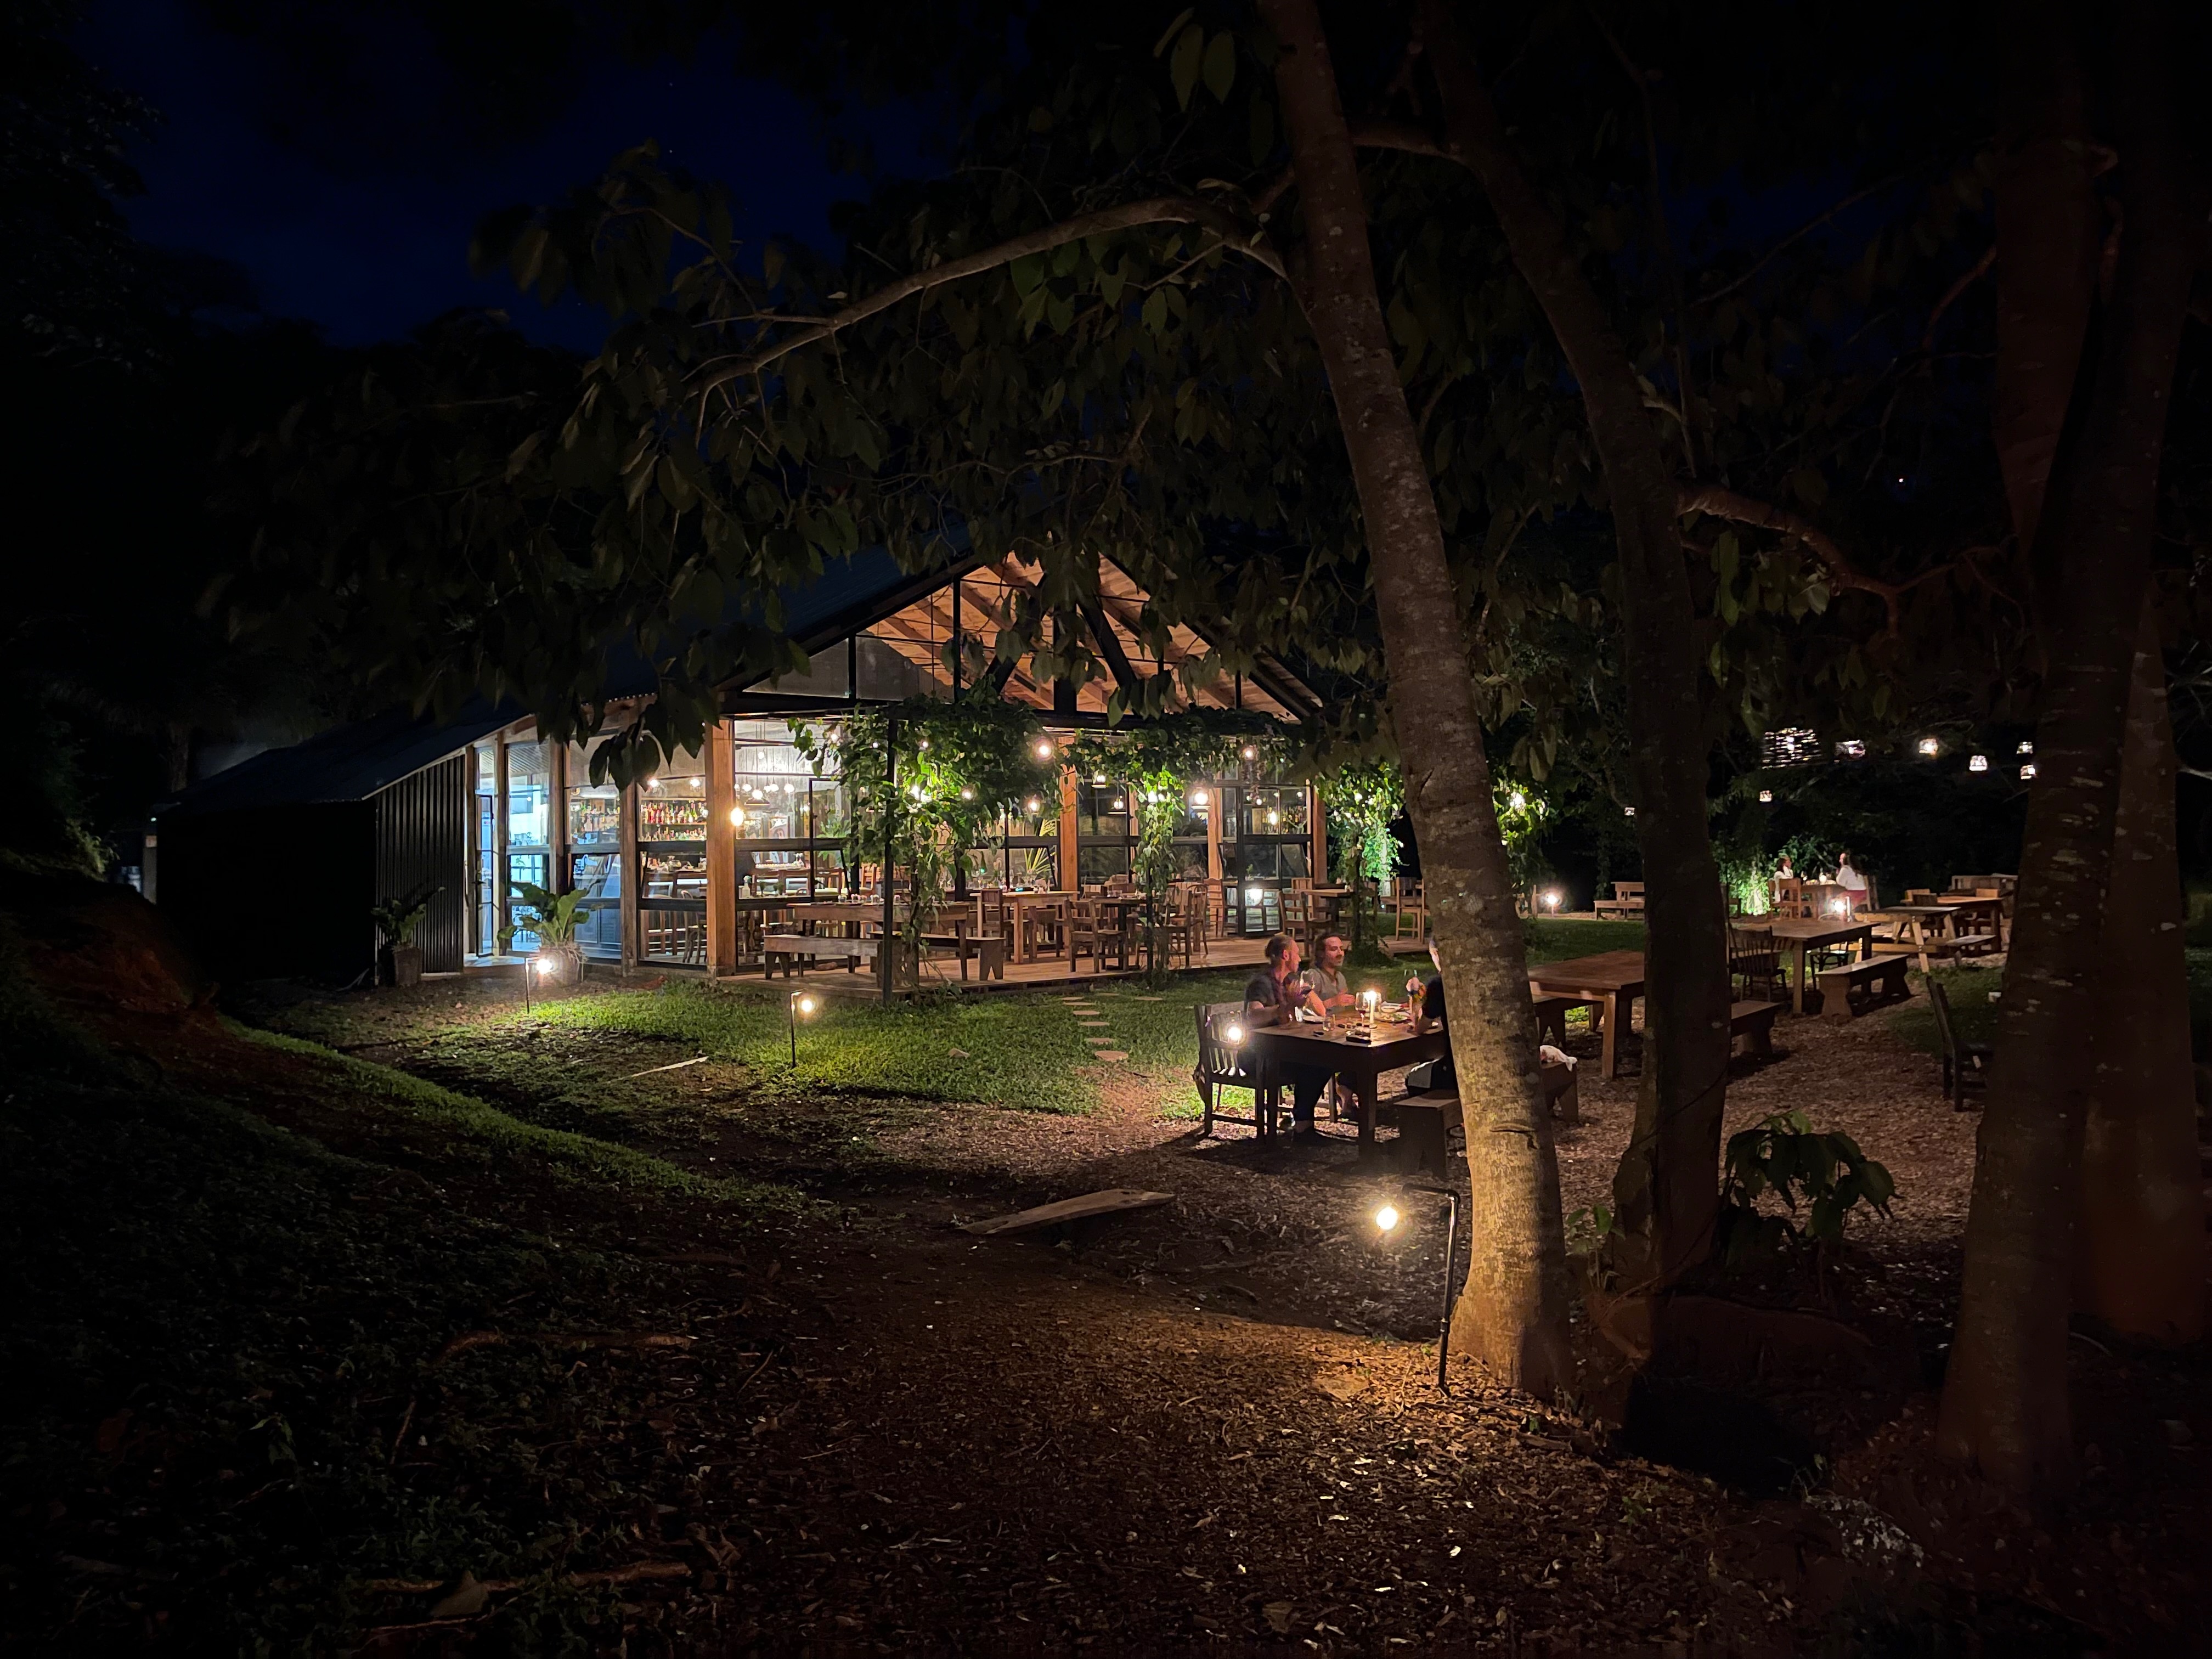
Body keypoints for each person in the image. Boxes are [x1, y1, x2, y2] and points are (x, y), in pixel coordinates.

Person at [1243, 932, 1333, 1140]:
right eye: (1297, 954)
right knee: (1312, 1067)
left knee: (1324, 1062)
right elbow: (1253, 1016)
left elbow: (1321, 1012)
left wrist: (1307, 993)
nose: (1300, 959)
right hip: (1257, 1055)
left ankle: (1301, 1122)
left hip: (1282, 1051)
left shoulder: (1290, 982)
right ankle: (1302, 1127)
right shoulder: (1262, 984)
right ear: (1286, 955)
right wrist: (1288, 1005)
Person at [1404, 938, 1455, 1092]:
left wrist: (1415, 996)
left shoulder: (1439, 984)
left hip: (1454, 1070)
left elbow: (1420, 1028)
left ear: (1436, 953)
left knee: (1412, 1079)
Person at [1304, 932, 1357, 1011]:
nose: (1340, 953)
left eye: (1341, 949)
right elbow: (1307, 1009)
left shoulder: (1340, 977)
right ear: (1321, 953)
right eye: (1334, 949)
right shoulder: (1313, 976)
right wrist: (1334, 1001)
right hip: (1320, 1023)